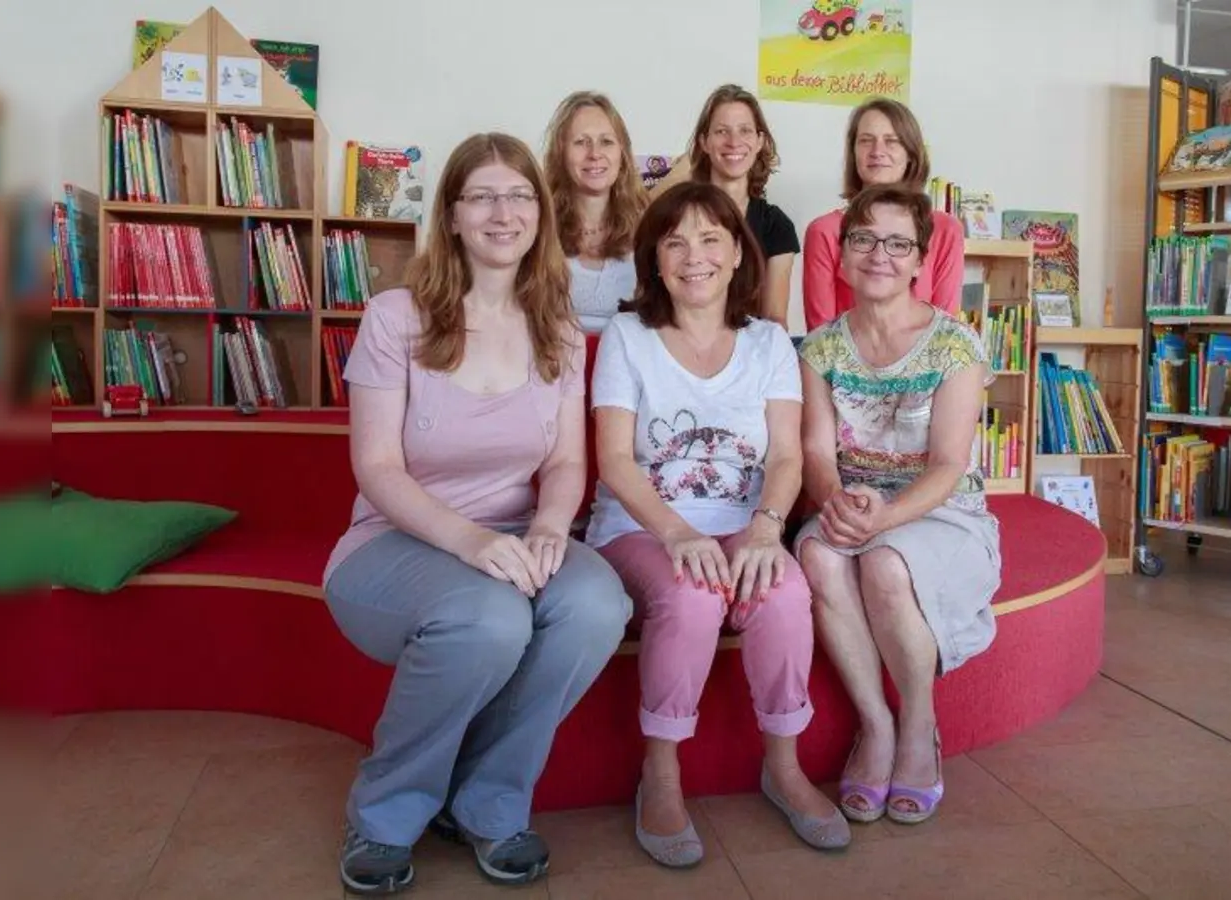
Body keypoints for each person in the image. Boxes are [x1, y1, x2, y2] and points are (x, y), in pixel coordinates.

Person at [321, 132, 632, 893]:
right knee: (490, 618)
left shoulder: (557, 324)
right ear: (452, 215)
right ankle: (385, 815)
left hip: (517, 539)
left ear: (540, 214)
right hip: (398, 542)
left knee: (598, 603)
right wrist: (467, 541)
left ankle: (489, 804)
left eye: (521, 195)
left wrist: (553, 526)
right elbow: (377, 468)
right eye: (483, 196)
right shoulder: (396, 316)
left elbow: (564, 462)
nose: (505, 212)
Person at [587, 181, 850, 866]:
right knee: (692, 592)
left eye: (710, 239)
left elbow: (789, 457)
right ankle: (661, 771)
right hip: (643, 528)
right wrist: (677, 533)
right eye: (675, 241)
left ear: (738, 253)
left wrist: (767, 529)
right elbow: (615, 461)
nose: (693, 256)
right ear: (654, 259)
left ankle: (783, 766)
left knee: (785, 590)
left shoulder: (769, 344)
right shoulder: (627, 335)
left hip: (744, 521)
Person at [794, 183, 1002, 827]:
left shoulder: (954, 345)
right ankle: (875, 724)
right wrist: (836, 501)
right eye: (863, 239)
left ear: (920, 261)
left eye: (897, 243)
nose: (878, 254)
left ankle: (919, 726)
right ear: (843, 256)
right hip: (852, 501)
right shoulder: (821, 347)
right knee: (819, 558)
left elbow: (947, 465)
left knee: (884, 562)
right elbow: (816, 453)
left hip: (942, 512)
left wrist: (881, 518)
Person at [801, 97, 967, 331]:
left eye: (891, 141)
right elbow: (820, 338)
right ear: (853, 153)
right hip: (843, 364)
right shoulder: (824, 231)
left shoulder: (946, 230)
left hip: (927, 365)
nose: (877, 151)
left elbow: (946, 332)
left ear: (911, 153)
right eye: (866, 141)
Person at [683, 84, 799, 329]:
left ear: (760, 141)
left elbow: (774, 322)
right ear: (704, 141)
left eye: (745, 130)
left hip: (748, 355)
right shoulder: (678, 214)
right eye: (722, 131)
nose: (734, 142)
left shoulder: (776, 225)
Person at [543, 90, 648, 335]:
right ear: (561, 153)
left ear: (622, 152)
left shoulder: (650, 229)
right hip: (556, 366)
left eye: (606, 141)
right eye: (581, 142)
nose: (594, 154)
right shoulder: (537, 227)